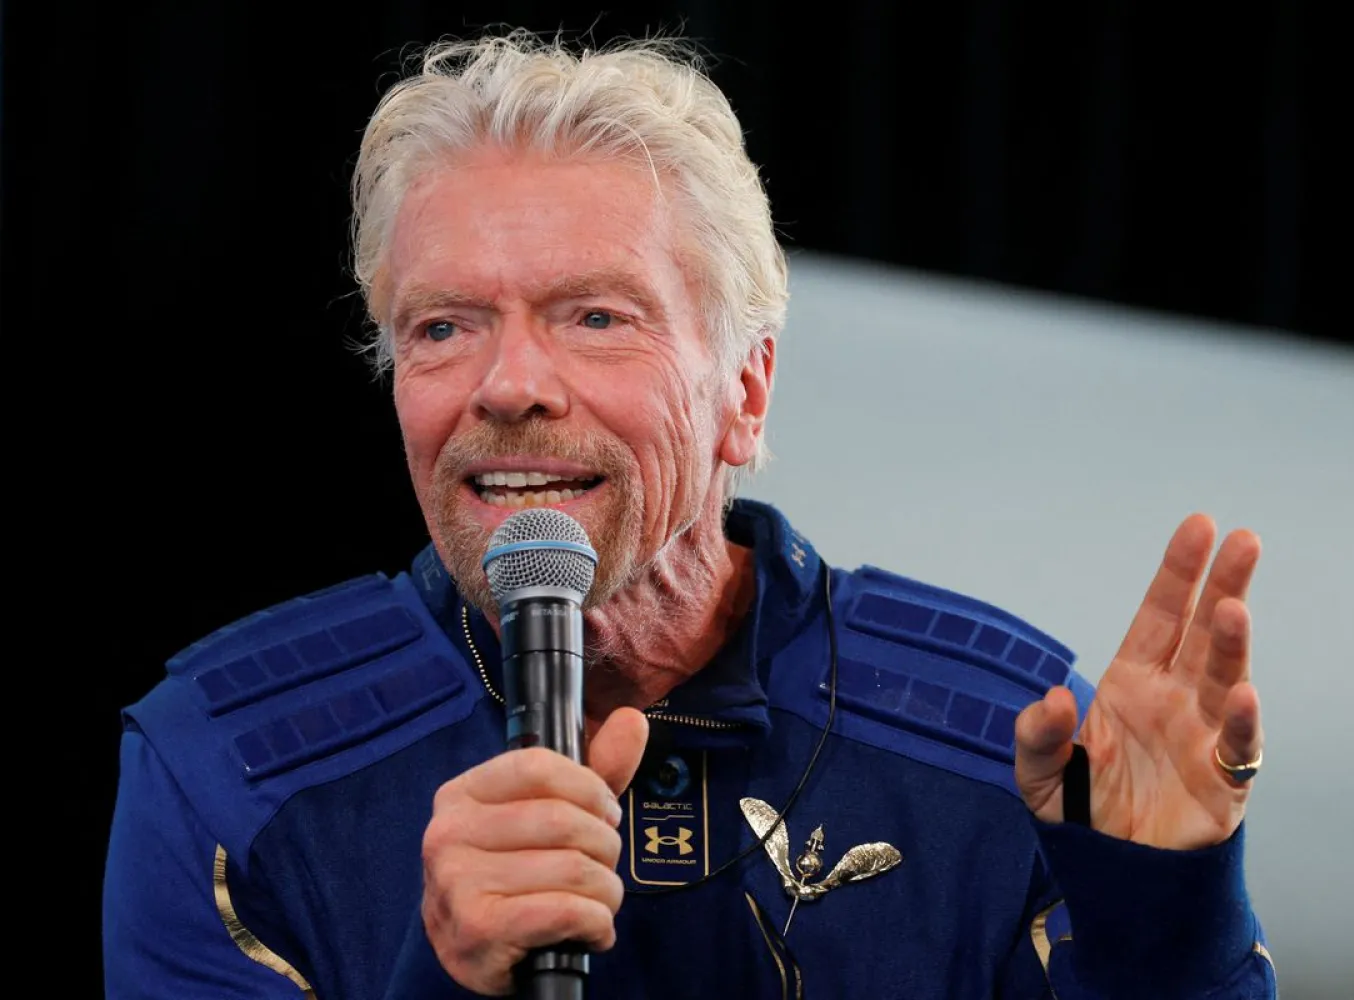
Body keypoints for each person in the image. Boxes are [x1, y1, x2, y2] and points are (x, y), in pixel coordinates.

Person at [103, 30, 1275, 1000]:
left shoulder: (1006, 744)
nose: (508, 384)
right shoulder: (224, 767)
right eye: (444, 326)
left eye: (595, 316)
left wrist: (1163, 912)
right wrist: (448, 981)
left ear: (745, 393)